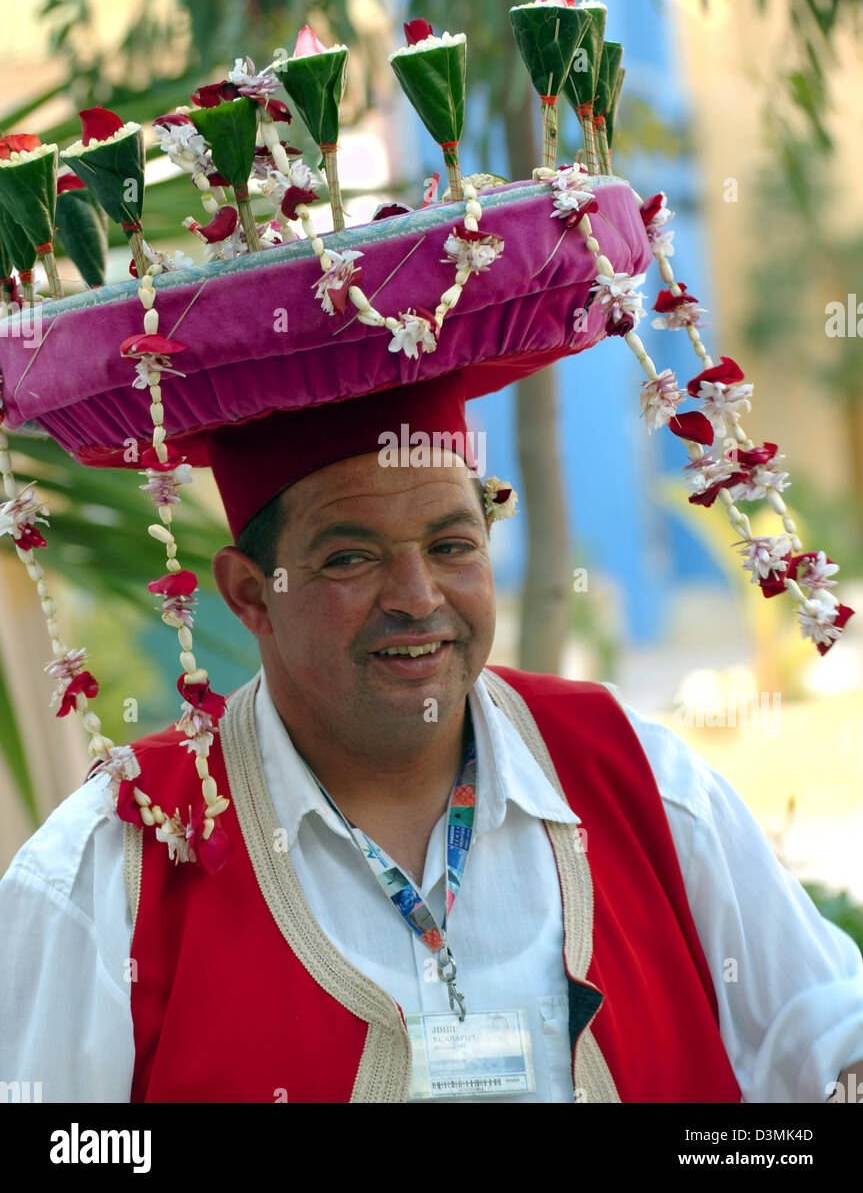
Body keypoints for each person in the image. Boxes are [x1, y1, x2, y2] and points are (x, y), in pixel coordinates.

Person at [1, 373, 862, 1104]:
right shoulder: (119, 860)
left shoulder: (636, 777)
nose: (417, 596)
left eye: (452, 544)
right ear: (250, 594)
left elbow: (826, 1035)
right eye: (350, 559)